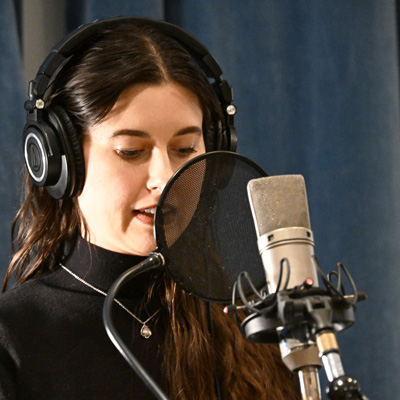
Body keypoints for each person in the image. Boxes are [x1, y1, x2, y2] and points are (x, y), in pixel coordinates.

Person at [0, 17, 300, 399]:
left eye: (185, 149)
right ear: (61, 161)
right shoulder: (12, 338)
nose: (166, 177)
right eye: (132, 151)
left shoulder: (252, 324)